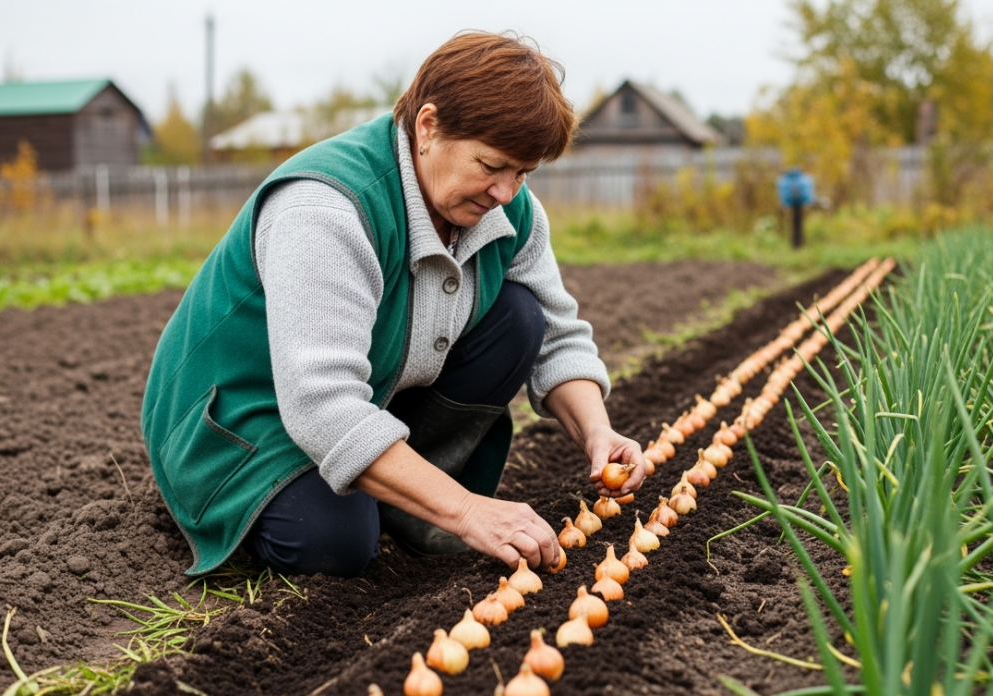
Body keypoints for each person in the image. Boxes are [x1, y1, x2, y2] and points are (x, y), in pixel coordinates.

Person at [141, 31, 646, 579]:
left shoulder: (508, 210)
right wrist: (468, 509)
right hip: (238, 419)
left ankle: (402, 498)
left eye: (522, 173)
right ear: (427, 127)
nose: (506, 191)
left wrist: (597, 429)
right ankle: (358, 497)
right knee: (335, 542)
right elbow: (322, 404)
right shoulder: (326, 209)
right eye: (491, 165)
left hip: (363, 395)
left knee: (520, 317)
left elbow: (555, 335)